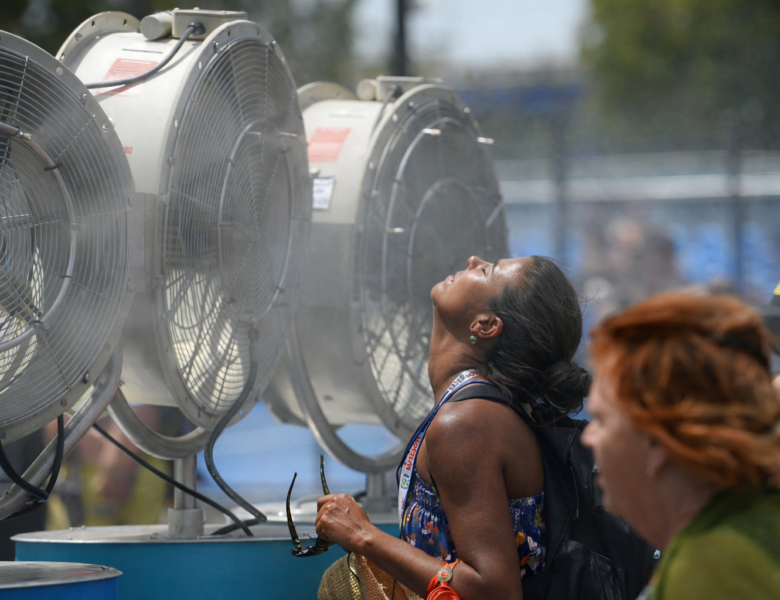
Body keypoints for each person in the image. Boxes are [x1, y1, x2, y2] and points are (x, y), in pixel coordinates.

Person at [315, 255, 589, 599]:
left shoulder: (466, 422)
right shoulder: (476, 410)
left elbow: (495, 591)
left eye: (487, 270)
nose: (474, 260)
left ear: (485, 325)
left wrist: (363, 536)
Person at [582, 292, 780, 600]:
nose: (588, 436)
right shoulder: (748, 525)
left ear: (656, 440)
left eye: (602, 419)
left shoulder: (712, 570)